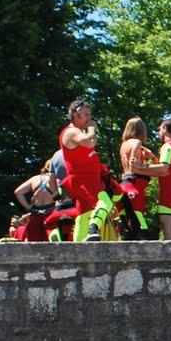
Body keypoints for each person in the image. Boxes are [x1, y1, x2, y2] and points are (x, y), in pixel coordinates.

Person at [59, 100, 121, 242]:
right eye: (86, 114)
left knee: (84, 214)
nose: (89, 118)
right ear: (75, 115)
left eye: (90, 114)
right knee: (106, 203)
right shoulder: (71, 131)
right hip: (83, 179)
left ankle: (78, 248)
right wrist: (92, 128)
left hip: (90, 179)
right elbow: (89, 141)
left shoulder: (78, 131)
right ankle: (93, 228)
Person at [118, 117, 169, 239]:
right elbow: (135, 166)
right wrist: (152, 163)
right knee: (139, 220)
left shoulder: (124, 145)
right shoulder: (136, 143)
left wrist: (150, 156)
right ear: (141, 130)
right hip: (135, 184)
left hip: (125, 182)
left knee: (129, 220)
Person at [14, 168, 60, 242]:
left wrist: (28, 207)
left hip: (35, 214)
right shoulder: (56, 180)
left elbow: (18, 192)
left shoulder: (35, 179)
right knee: (52, 242)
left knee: (33, 243)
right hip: (50, 214)